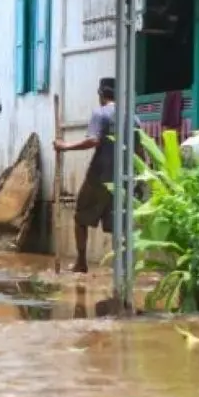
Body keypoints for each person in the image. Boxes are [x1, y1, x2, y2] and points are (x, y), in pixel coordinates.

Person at [53, 77, 136, 273]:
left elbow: (93, 141)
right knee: (119, 225)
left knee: (81, 217)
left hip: (99, 177)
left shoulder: (100, 113)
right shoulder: (133, 118)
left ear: (101, 95)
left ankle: (81, 262)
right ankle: (121, 269)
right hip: (123, 180)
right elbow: (140, 152)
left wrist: (64, 146)